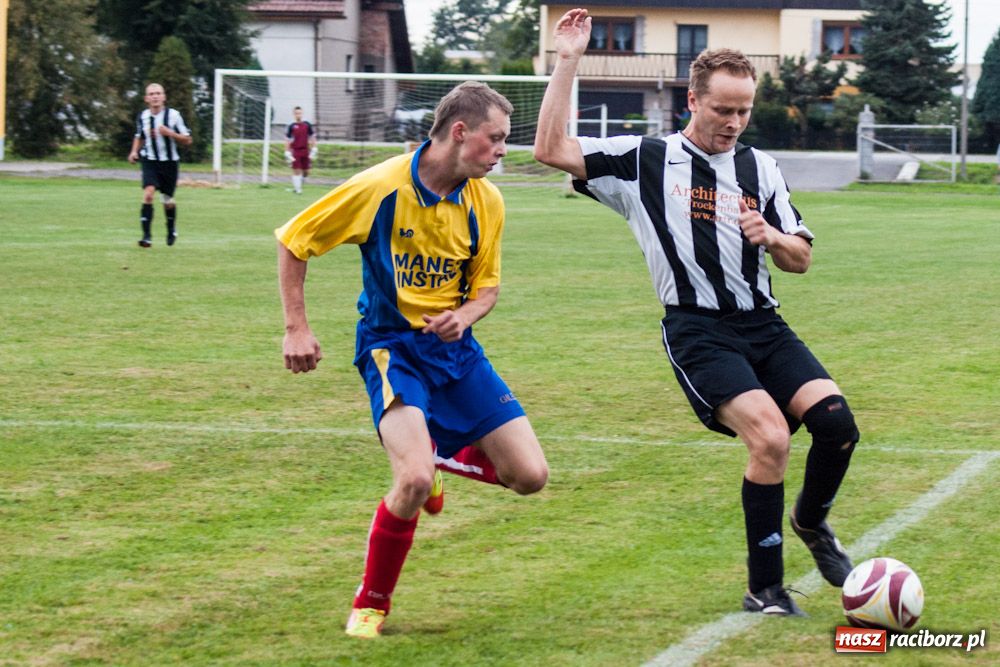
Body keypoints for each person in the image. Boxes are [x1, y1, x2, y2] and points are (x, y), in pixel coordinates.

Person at [535, 8, 858, 616]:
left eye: (744, 111)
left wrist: (773, 237)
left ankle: (812, 523)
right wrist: (568, 61)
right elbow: (550, 148)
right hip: (698, 330)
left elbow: (801, 259)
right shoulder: (644, 159)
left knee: (838, 425)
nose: (734, 123)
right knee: (768, 439)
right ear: (692, 100)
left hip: (763, 323)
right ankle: (765, 588)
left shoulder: (760, 167)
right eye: (723, 110)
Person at [276, 81, 549, 638]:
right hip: (391, 349)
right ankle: (371, 602)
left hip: (456, 353)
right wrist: (296, 328)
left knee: (530, 477)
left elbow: (487, 291)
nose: (502, 151)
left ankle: (441, 455)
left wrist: (464, 317)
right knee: (413, 480)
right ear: (459, 132)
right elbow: (294, 240)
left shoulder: (486, 201)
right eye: (496, 139)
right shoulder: (380, 188)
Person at [128, 83, 192, 247]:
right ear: (146, 98)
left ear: (164, 97)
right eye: (151, 94)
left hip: (170, 163)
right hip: (150, 161)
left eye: (158, 93)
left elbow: (188, 140)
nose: (155, 96)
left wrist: (170, 133)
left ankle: (171, 229)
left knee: (167, 199)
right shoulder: (143, 116)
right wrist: (134, 152)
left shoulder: (173, 116)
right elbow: (139, 136)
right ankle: (146, 236)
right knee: (148, 194)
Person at [285, 106, 317, 194]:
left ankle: (298, 185)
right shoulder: (291, 126)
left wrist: (314, 148)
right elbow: (287, 140)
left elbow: (312, 137)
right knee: (297, 170)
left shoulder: (307, 124)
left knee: (306, 172)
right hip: (296, 151)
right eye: (296, 113)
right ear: (294, 114)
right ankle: (298, 190)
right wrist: (287, 151)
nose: (298, 115)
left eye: (299, 113)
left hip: (306, 150)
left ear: (302, 114)